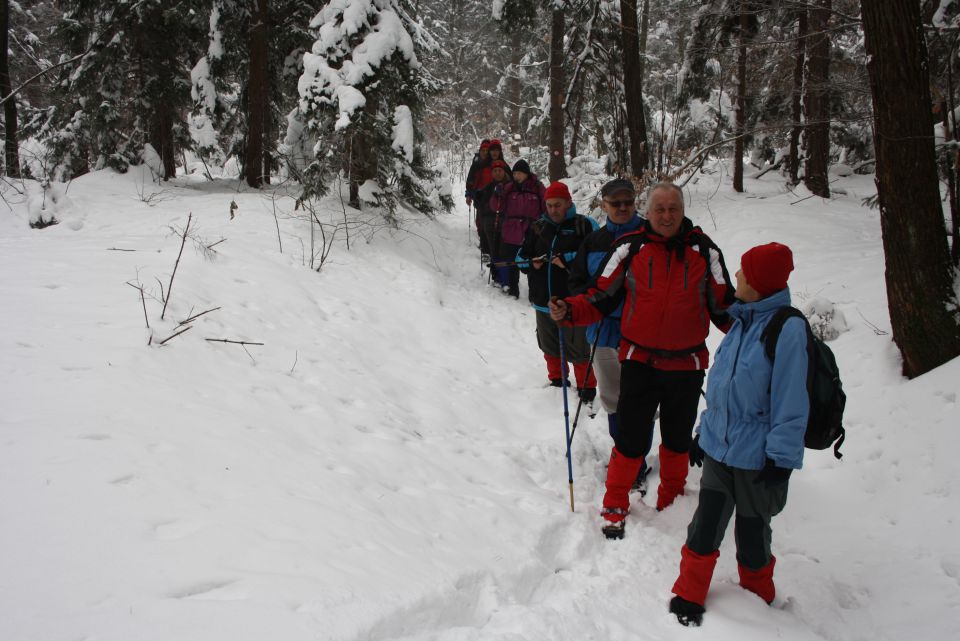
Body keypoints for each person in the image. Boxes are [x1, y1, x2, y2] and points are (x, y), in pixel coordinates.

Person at [549, 182, 734, 538]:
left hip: (686, 365)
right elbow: (600, 296)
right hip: (639, 361)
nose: (666, 216)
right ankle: (615, 502)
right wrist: (569, 310)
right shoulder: (629, 248)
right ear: (647, 212)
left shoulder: (705, 251)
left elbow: (723, 306)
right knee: (631, 439)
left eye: (673, 209)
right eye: (659, 209)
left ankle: (672, 500)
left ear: (682, 210)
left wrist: (760, 328)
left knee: (678, 439)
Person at [669, 242, 805, 627]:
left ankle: (758, 599)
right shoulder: (743, 319)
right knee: (704, 523)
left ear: (759, 283)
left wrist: (781, 458)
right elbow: (722, 388)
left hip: (757, 457)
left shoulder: (787, 329)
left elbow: (792, 401)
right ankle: (689, 592)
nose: (738, 277)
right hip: (719, 448)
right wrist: (703, 432)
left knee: (752, 533)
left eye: (744, 272)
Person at [567, 179, 645, 441]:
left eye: (628, 202)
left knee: (641, 401)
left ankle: (636, 461)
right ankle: (623, 453)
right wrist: (592, 303)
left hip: (642, 334)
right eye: (616, 203)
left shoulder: (651, 236)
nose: (623, 207)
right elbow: (576, 282)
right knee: (612, 399)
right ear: (604, 205)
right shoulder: (594, 241)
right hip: (602, 331)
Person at [516, 181, 599, 397]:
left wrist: (568, 261)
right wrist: (530, 263)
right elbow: (520, 258)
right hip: (543, 301)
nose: (553, 210)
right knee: (549, 346)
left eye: (558, 205)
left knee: (580, 350)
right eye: (550, 205)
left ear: (568, 203)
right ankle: (557, 382)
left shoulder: (585, 226)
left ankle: (587, 389)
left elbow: (597, 262)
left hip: (575, 304)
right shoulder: (537, 227)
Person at [490, 159, 545, 298]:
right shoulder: (508, 187)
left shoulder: (537, 187)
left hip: (532, 231)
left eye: (519, 173)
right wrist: (497, 195)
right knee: (512, 262)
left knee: (532, 263)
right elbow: (496, 206)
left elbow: (546, 205)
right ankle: (512, 290)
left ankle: (535, 294)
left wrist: (543, 224)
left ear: (526, 174)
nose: (516, 177)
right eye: (514, 173)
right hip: (511, 231)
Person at [476, 159, 512, 284]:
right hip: (490, 224)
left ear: (504, 171)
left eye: (500, 170)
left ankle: (505, 279)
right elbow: (481, 206)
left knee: (504, 252)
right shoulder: (488, 187)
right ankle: (497, 277)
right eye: (495, 171)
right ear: (492, 173)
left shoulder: (510, 186)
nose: (497, 173)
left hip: (506, 223)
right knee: (494, 250)